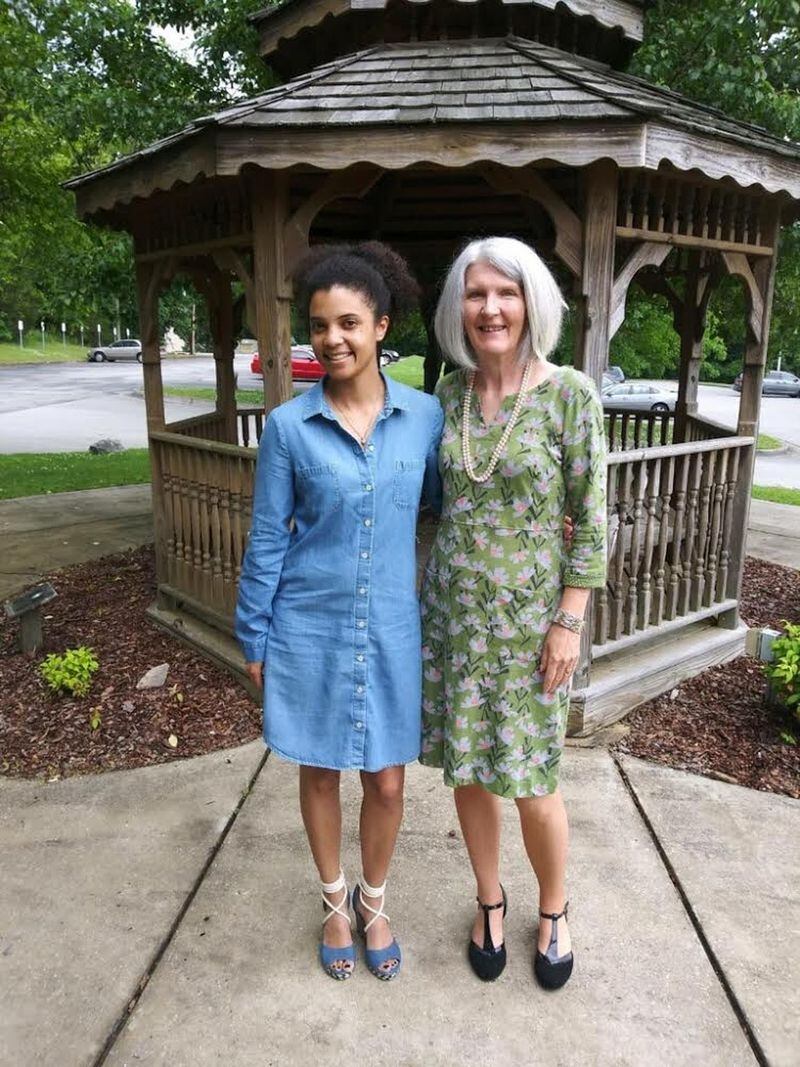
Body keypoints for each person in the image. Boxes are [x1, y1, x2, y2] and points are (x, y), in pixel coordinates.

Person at [235, 243, 443, 982]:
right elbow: (267, 535)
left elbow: (451, 506)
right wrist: (252, 628)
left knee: (387, 780)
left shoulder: (425, 417)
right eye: (320, 325)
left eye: (350, 321)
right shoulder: (291, 429)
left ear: (383, 324)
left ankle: (373, 898)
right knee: (320, 770)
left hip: (390, 625)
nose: (333, 339)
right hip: (308, 624)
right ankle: (332, 902)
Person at [419, 236, 607, 988]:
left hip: (536, 630)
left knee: (534, 781)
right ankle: (490, 900)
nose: (490, 308)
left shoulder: (569, 394)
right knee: (469, 771)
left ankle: (553, 909)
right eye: (475, 294)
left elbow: (592, 518)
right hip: (455, 621)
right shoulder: (449, 394)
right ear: (457, 309)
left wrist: (569, 619)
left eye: (506, 292)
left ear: (532, 301)